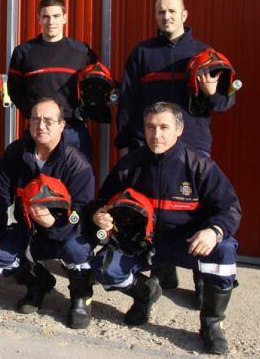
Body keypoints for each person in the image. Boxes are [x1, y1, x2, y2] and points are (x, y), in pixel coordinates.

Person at [91, 102, 241, 354]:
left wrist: (213, 231)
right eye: (150, 127)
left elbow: (229, 208)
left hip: (188, 243)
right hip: (143, 243)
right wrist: (99, 216)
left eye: (164, 127)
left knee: (225, 248)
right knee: (104, 268)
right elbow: (101, 202)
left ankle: (212, 324)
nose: (156, 134)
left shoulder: (199, 166)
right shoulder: (131, 164)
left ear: (179, 130)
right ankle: (145, 293)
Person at [115, 0, 236, 289]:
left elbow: (224, 102)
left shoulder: (205, 54)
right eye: (160, 12)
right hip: (150, 143)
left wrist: (211, 93)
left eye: (171, 11)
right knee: (154, 207)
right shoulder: (142, 53)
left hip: (193, 144)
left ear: (184, 15)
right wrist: (131, 140)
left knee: (197, 208)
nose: (165, 16)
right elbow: (128, 100)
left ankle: (201, 274)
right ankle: (162, 266)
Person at [0, 98, 95, 328]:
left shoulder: (76, 163)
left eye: (49, 121)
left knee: (78, 250)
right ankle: (38, 283)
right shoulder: (16, 152)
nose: (41, 126)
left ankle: (81, 297)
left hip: (66, 233)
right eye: (35, 119)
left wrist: (54, 224)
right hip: (29, 230)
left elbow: (83, 213)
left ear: (62, 125)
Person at [8, 0, 99, 159]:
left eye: (56, 16)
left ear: (64, 18)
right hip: (39, 128)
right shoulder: (24, 53)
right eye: (46, 17)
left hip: (73, 128)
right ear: (39, 19)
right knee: (36, 179)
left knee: (77, 178)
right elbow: (14, 90)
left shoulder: (82, 52)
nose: (51, 22)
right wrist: (32, 112)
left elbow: (96, 86)